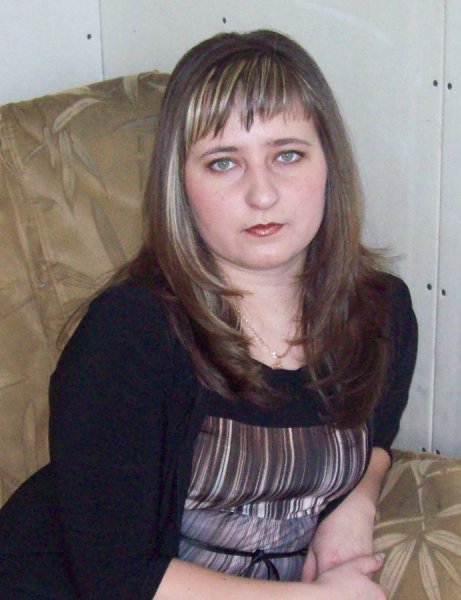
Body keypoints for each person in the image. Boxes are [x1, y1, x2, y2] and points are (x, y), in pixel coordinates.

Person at [0, 30, 417, 600]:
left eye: (287, 154)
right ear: (181, 185)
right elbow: (113, 576)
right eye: (223, 163)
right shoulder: (129, 333)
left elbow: (379, 435)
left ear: (330, 165)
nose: (262, 194)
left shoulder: (380, 312)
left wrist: (358, 504)